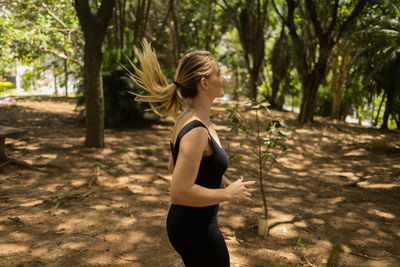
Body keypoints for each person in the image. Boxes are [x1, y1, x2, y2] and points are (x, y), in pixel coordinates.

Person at [128, 40, 255, 267]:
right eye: (219, 73)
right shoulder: (196, 129)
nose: (223, 78)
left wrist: (222, 180)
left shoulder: (187, 118)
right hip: (196, 229)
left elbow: (174, 166)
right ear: (204, 83)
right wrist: (227, 195)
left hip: (190, 223)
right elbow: (179, 192)